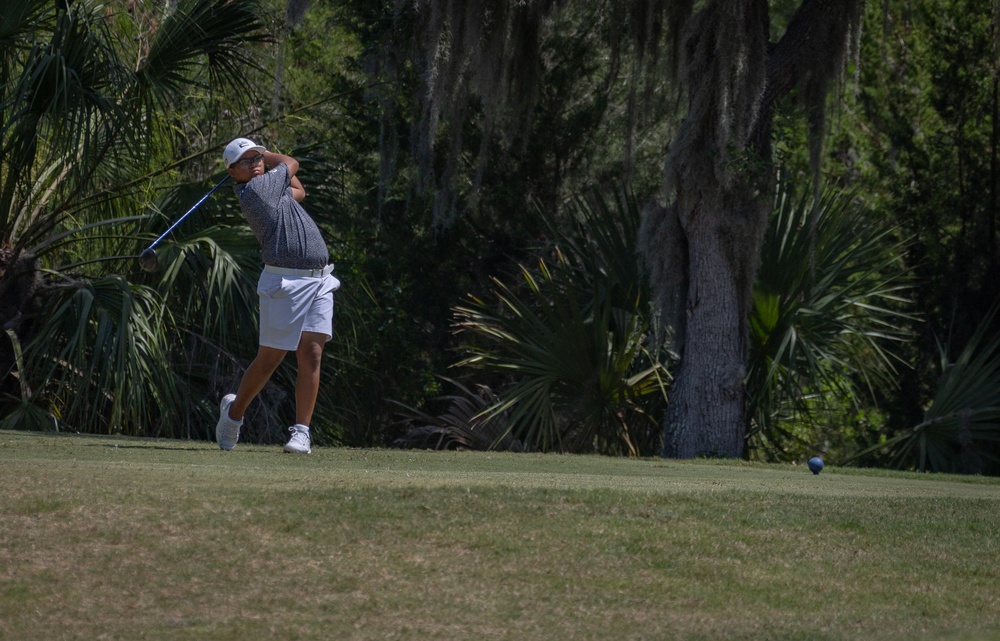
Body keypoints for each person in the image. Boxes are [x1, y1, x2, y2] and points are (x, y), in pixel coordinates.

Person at [215, 137, 339, 454]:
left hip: (320, 279)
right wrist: (269, 154)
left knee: (311, 353)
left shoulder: (272, 190)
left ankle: (301, 433)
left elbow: (299, 191)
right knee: (270, 359)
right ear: (232, 172)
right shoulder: (256, 191)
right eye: (246, 160)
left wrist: (262, 158)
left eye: (257, 157)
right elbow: (291, 164)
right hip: (285, 281)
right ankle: (233, 415)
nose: (255, 163)